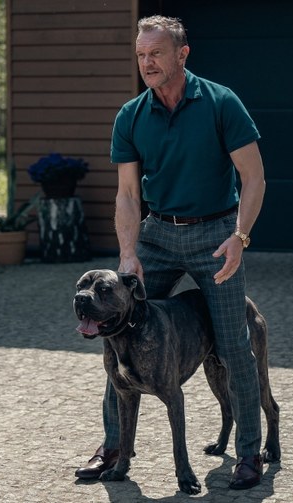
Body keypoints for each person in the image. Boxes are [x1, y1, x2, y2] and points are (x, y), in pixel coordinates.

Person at [74, 15, 267, 490]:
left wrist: (239, 238)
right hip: (157, 234)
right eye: (141, 55)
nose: (147, 63)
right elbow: (126, 195)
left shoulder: (222, 103)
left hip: (216, 234)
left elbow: (254, 178)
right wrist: (127, 254)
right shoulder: (131, 115)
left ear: (182, 54)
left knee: (233, 347)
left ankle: (248, 456)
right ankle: (114, 447)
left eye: (156, 54)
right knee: (118, 332)